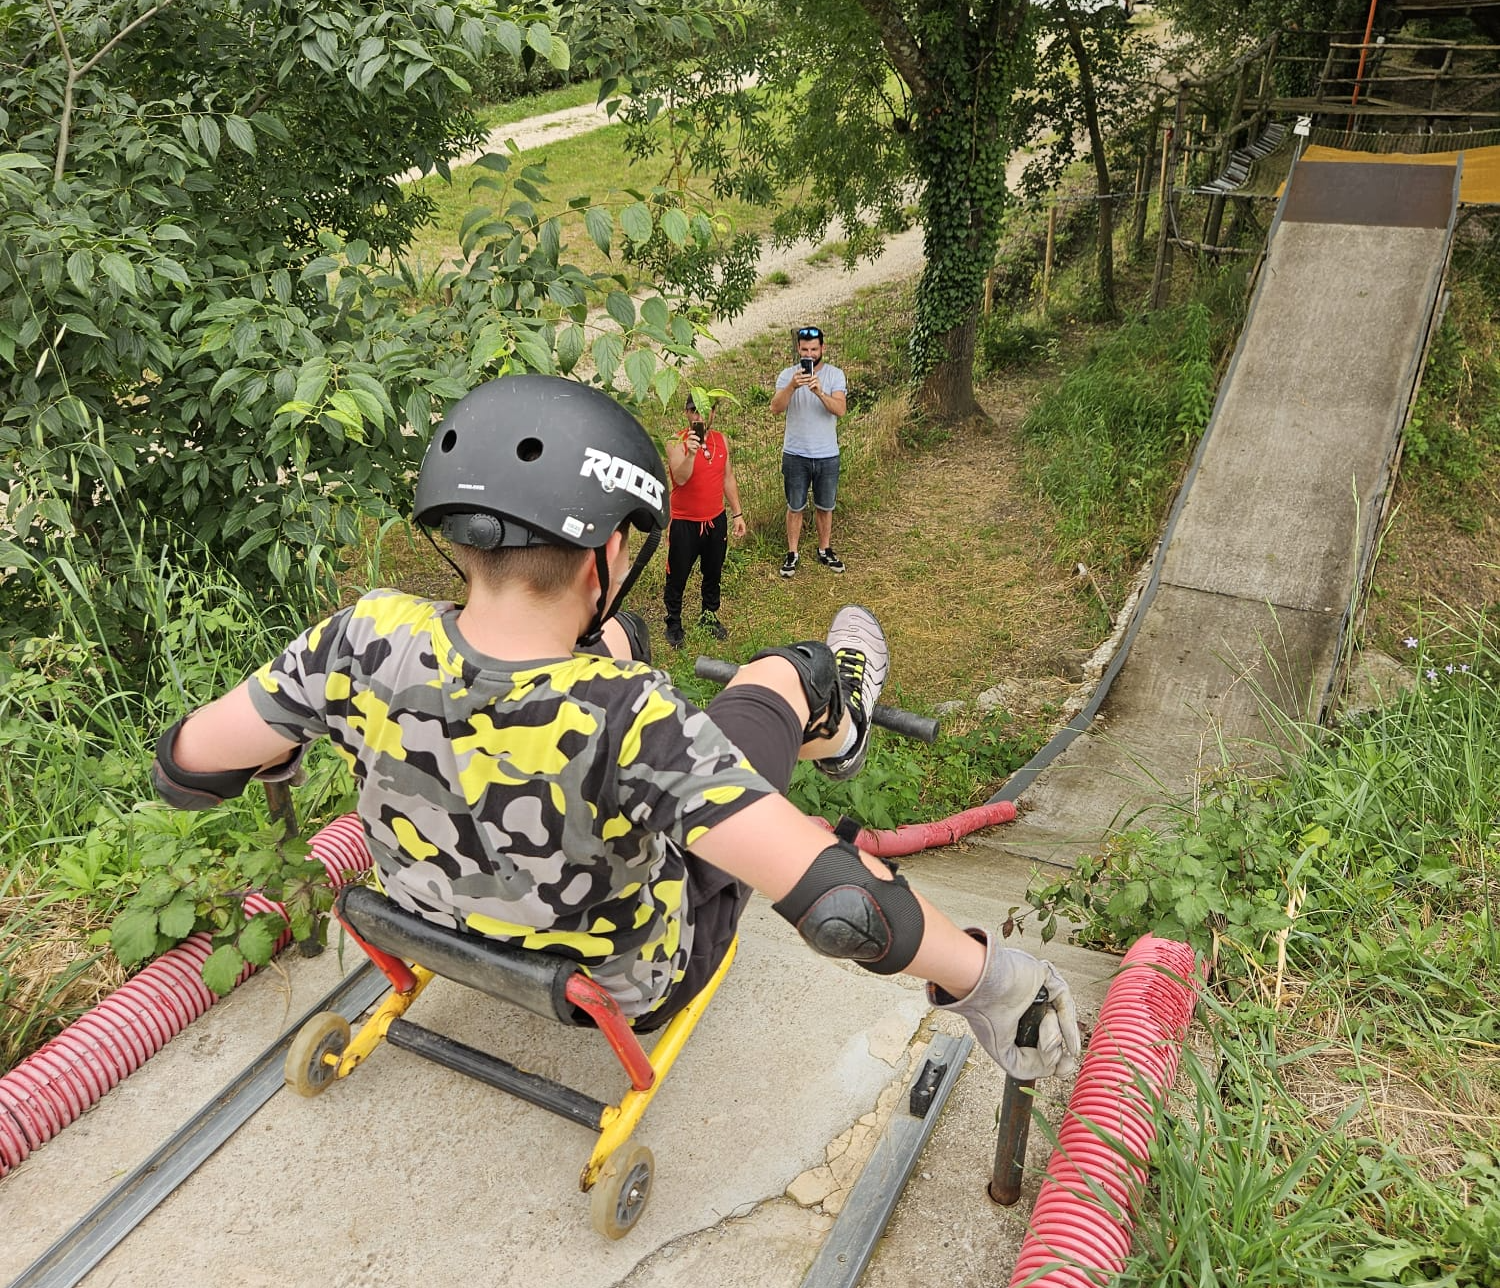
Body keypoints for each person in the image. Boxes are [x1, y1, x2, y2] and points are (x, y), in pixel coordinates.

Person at [148, 376, 1080, 1075]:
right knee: (778, 676)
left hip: (426, 920)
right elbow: (843, 908)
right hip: (623, 980)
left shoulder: (362, 637)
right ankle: (835, 720)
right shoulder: (634, 715)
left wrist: (287, 740)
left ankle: (746, 725)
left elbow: (186, 766)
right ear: (609, 547)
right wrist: (993, 981)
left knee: (619, 638)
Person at [663, 393, 746, 651]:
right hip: (685, 522)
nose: (699, 416)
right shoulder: (675, 442)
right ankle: (673, 623)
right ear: (687, 413)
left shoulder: (721, 440)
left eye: (704, 410)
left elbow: (727, 478)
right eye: (694, 411)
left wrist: (737, 513)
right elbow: (680, 477)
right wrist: (691, 453)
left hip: (715, 520)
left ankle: (709, 616)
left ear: (713, 413)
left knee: (713, 572)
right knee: (677, 575)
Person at [770, 326, 847, 578]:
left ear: (822, 348)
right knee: (795, 506)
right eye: (805, 349)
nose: (810, 354)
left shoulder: (835, 375)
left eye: (814, 349)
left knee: (825, 506)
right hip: (795, 453)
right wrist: (792, 386)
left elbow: (840, 409)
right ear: (798, 349)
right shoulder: (787, 375)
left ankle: (825, 549)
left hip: (827, 454)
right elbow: (775, 408)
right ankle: (792, 553)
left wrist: (819, 392)